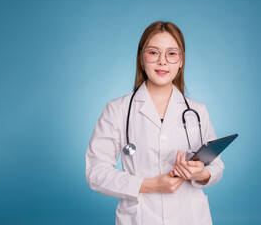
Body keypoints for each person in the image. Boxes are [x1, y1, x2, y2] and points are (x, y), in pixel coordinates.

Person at [86, 21, 224, 225]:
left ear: (181, 60)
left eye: (171, 54)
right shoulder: (117, 110)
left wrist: (202, 173)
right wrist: (150, 185)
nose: (162, 62)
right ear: (142, 58)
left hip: (190, 216)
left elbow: (216, 166)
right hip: (140, 217)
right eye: (153, 53)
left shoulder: (197, 111)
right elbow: (96, 173)